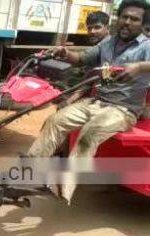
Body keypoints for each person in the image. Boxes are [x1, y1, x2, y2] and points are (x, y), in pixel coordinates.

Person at [27, 0, 150, 204]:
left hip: (123, 110)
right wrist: (65, 53)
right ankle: (27, 172)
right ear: (117, 19)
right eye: (124, 17)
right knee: (55, 121)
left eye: (134, 19)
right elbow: (82, 59)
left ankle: (63, 188)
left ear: (142, 24)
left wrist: (140, 67)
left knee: (89, 134)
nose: (127, 22)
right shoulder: (108, 42)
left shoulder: (146, 46)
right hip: (96, 102)